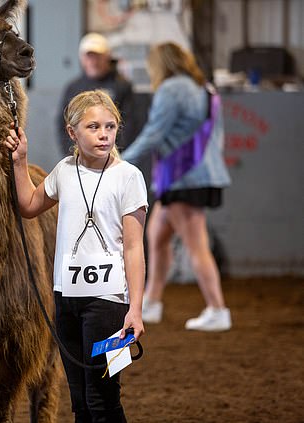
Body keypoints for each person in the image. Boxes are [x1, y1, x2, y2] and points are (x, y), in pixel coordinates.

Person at [4, 90, 147, 423]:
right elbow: (28, 206)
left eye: (110, 127)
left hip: (109, 304)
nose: (104, 134)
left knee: (104, 400)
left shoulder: (129, 178)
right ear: (72, 132)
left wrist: (135, 310)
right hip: (66, 301)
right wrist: (19, 161)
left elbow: (134, 248)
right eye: (93, 127)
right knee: (80, 401)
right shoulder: (64, 171)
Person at [121, 42, 232, 332]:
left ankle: (218, 309)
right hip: (196, 175)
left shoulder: (171, 89)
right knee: (157, 236)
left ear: (160, 65)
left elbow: (153, 134)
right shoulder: (205, 89)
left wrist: (119, 160)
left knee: (197, 245)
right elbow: (215, 137)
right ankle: (152, 302)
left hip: (184, 178)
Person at [57, 33, 135, 157]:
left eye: (98, 56)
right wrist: (71, 154)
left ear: (107, 57)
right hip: (79, 157)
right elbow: (62, 124)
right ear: (82, 59)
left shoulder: (121, 86)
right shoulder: (73, 88)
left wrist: (115, 154)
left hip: (113, 156)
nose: (93, 61)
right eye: (89, 57)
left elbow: (130, 124)